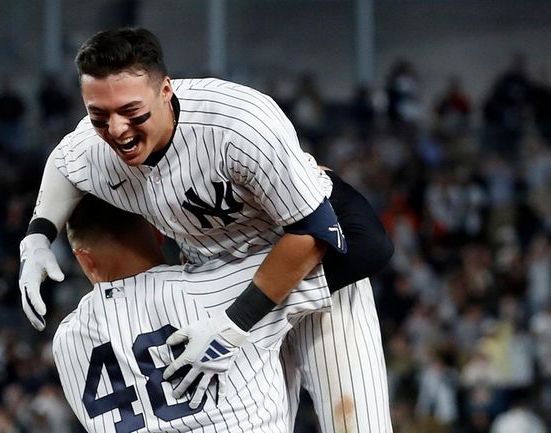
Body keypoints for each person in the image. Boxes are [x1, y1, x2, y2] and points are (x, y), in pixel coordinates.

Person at [20, 27, 394, 433]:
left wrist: (235, 322)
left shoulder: (236, 123)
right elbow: (63, 163)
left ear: (166, 90)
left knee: (357, 425)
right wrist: (38, 235)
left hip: (306, 270)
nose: (116, 130)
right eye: (98, 116)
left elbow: (334, 233)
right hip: (215, 287)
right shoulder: (95, 146)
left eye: (131, 112)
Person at [53, 194, 333, 432]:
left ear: (84, 258)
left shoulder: (66, 341)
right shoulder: (215, 285)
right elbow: (337, 241)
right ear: (159, 232)